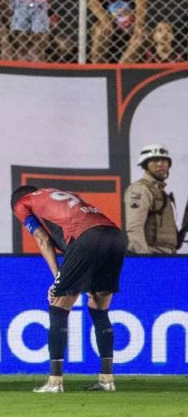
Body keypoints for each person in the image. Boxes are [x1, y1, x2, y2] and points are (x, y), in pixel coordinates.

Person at [11, 185, 126, 393]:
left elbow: (43, 239)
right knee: (98, 306)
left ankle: (55, 382)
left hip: (87, 237)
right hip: (115, 236)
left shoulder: (21, 203)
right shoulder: (56, 194)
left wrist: (57, 277)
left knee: (58, 305)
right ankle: (107, 379)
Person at [125, 144, 180, 254]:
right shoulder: (140, 189)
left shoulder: (161, 192)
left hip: (166, 256)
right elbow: (134, 227)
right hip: (151, 255)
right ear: (145, 165)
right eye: (155, 161)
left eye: (164, 161)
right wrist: (145, 258)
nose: (160, 164)